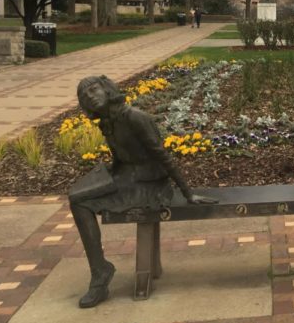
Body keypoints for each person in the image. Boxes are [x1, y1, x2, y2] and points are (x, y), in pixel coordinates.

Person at [69, 76, 215, 308]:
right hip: (128, 178)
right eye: (85, 96)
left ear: (107, 90)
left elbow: (162, 155)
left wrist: (188, 193)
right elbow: (122, 156)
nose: (91, 96)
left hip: (151, 187)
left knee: (79, 201)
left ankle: (100, 276)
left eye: (94, 90)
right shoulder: (108, 122)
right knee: (77, 198)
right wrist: (107, 173)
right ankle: (101, 270)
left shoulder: (135, 117)